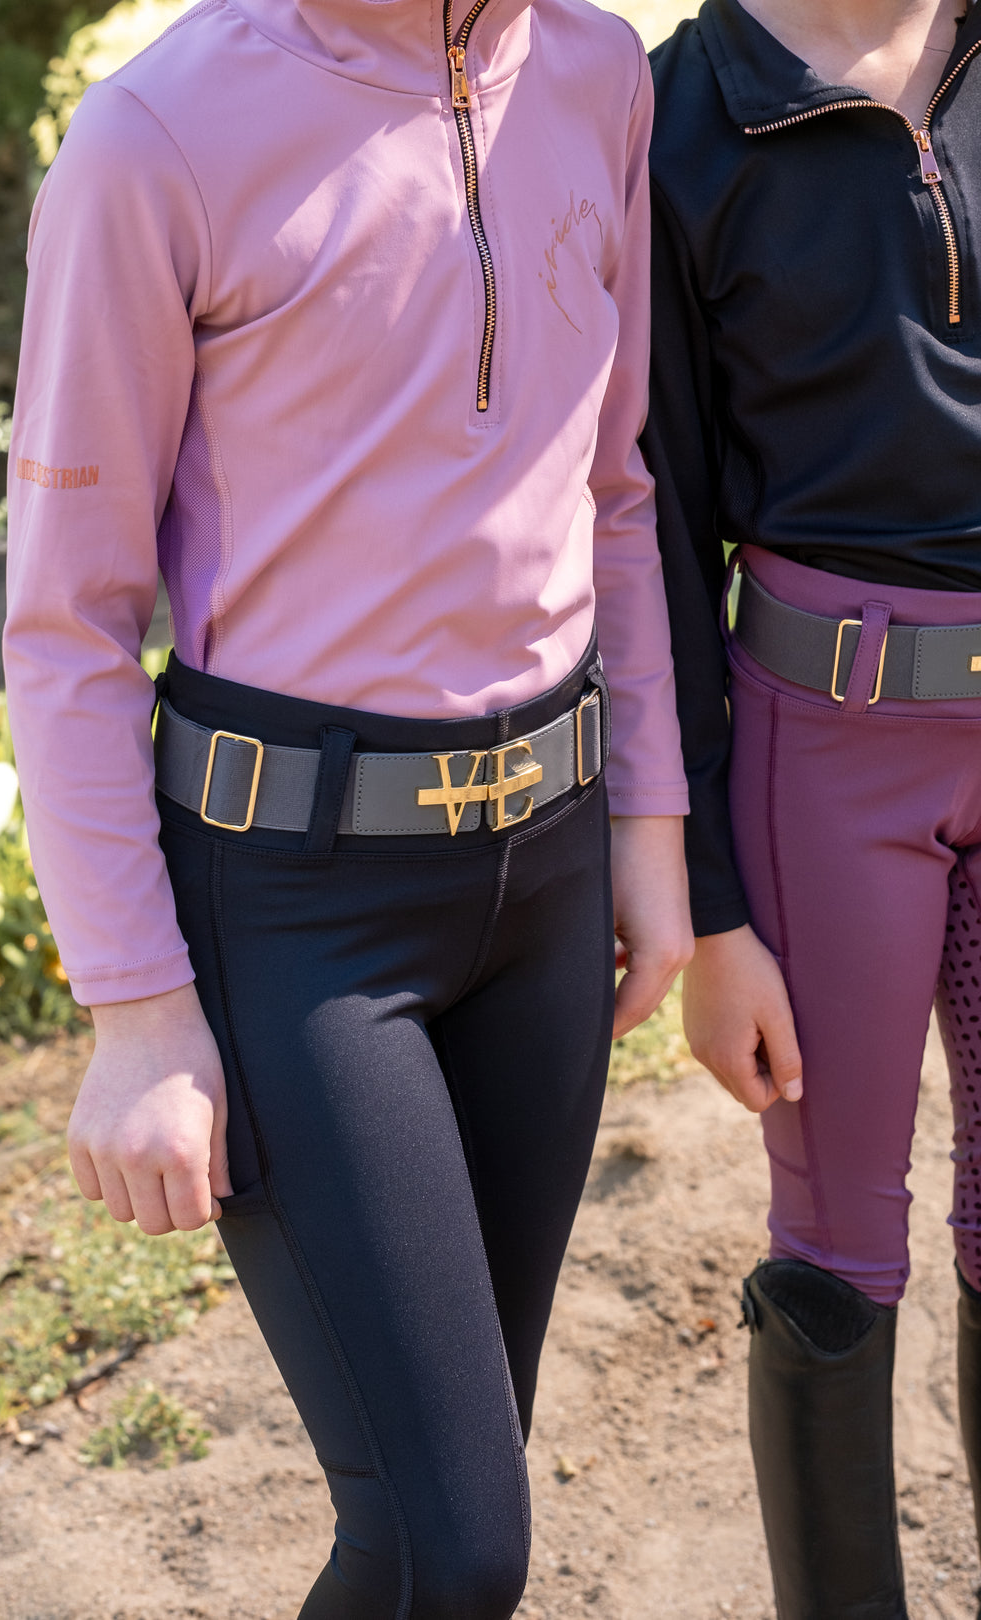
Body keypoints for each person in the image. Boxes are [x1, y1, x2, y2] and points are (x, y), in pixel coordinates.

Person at [3, 2, 693, 1615]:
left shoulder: (595, 74)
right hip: (296, 913)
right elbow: (66, 622)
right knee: (456, 1544)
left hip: (548, 884)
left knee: (444, 1504)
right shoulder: (152, 139)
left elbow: (614, 490)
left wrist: (649, 828)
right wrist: (138, 1015)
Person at [642, 0, 981, 1611]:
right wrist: (711, 913)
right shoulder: (679, 119)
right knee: (840, 1245)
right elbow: (658, 534)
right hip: (826, 759)